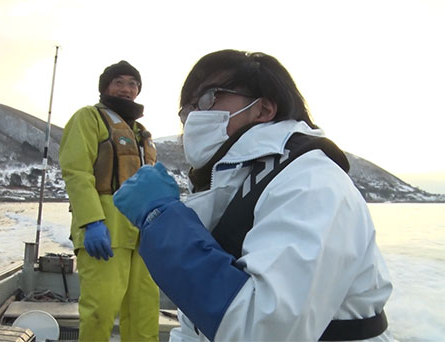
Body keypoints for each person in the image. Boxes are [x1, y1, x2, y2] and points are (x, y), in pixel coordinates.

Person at [113, 50, 393, 341]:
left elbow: (262, 328)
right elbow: (196, 322)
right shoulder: (232, 186)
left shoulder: (310, 183)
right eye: (188, 110)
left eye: (209, 98)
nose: (194, 116)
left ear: (263, 110)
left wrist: (163, 220)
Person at [59, 60, 159, 341]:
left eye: (133, 84)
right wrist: (92, 222)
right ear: (105, 87)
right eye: (119, 82)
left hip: (142, 235)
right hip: (105, 232)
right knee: (100, 311)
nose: (127, 89)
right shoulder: (88, 118)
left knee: (144, 311)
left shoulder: (143, 134)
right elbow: (76, 172)